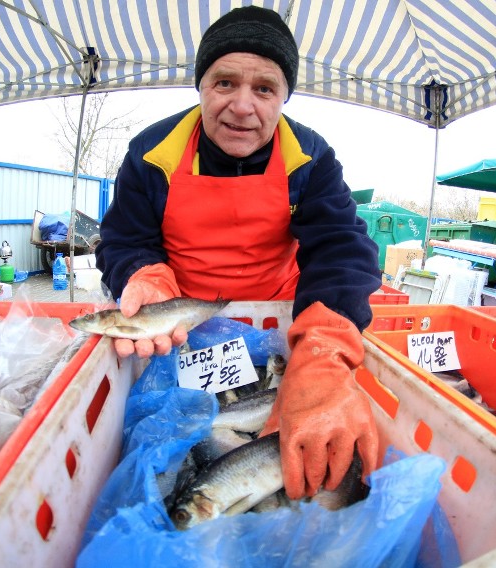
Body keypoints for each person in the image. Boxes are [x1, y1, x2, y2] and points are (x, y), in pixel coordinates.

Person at [95, 5, 382, 501]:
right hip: (179, 331)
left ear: (284, 96)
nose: (243, 106)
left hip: (275, 328)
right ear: (201, 86)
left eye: (264, 88)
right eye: (224, 83)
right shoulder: (151, 152)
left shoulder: (310, 159)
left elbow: (341, 250)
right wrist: (143, 275)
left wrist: (323, 353)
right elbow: (123, 238)